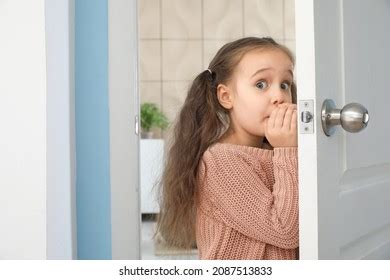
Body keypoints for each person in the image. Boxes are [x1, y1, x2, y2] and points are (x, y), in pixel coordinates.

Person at [155, 37, 299, 260]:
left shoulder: (279, 153)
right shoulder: (220, 162)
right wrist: (288, 150)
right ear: (226, 96)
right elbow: (285, 231)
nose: (279, 96)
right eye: (261, 84)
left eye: (285, 84)